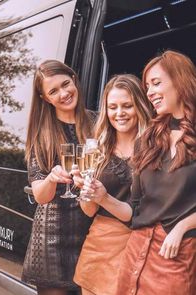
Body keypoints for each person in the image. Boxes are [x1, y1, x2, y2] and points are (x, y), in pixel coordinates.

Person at [82, 50, 196, 295]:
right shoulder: (148, 140)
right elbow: (135, 209)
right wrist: (101, 197)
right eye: (147, 86)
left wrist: (182, 226)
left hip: (176, 253)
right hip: (136, 250)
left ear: (180, 80)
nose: (151, 91)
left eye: (157, 83)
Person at [72, 74, 153, 295]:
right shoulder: (96, 149)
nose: (120, 113)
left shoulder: (155, 148)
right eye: (113, 107)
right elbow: (89, 210)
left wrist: (104, 197)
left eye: (127, 106)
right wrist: (85, 192)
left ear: (140, 106)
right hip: (100, 246)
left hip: (140, 246)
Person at [21, 59, 96, 295]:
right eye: (53, 91)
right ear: (45, 98)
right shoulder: (41, 134)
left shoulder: (98, 122)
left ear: (74, 79)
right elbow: (41, 197)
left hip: (93, 232)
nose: (64, 93)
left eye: (65, 84)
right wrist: (51, 179)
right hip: (52, 239)